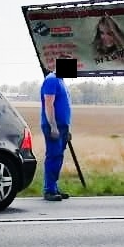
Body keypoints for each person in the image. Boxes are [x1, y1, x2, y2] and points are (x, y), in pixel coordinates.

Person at [40, 56, 73, 201]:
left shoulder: (61, 81)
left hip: (62, 126)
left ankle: (54, 187)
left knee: (58, 157)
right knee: (53, 156)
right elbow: (49, 104)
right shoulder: (51, 80)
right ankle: (49, 190)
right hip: (53, 125)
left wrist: (67, 129)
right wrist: (53, 126)